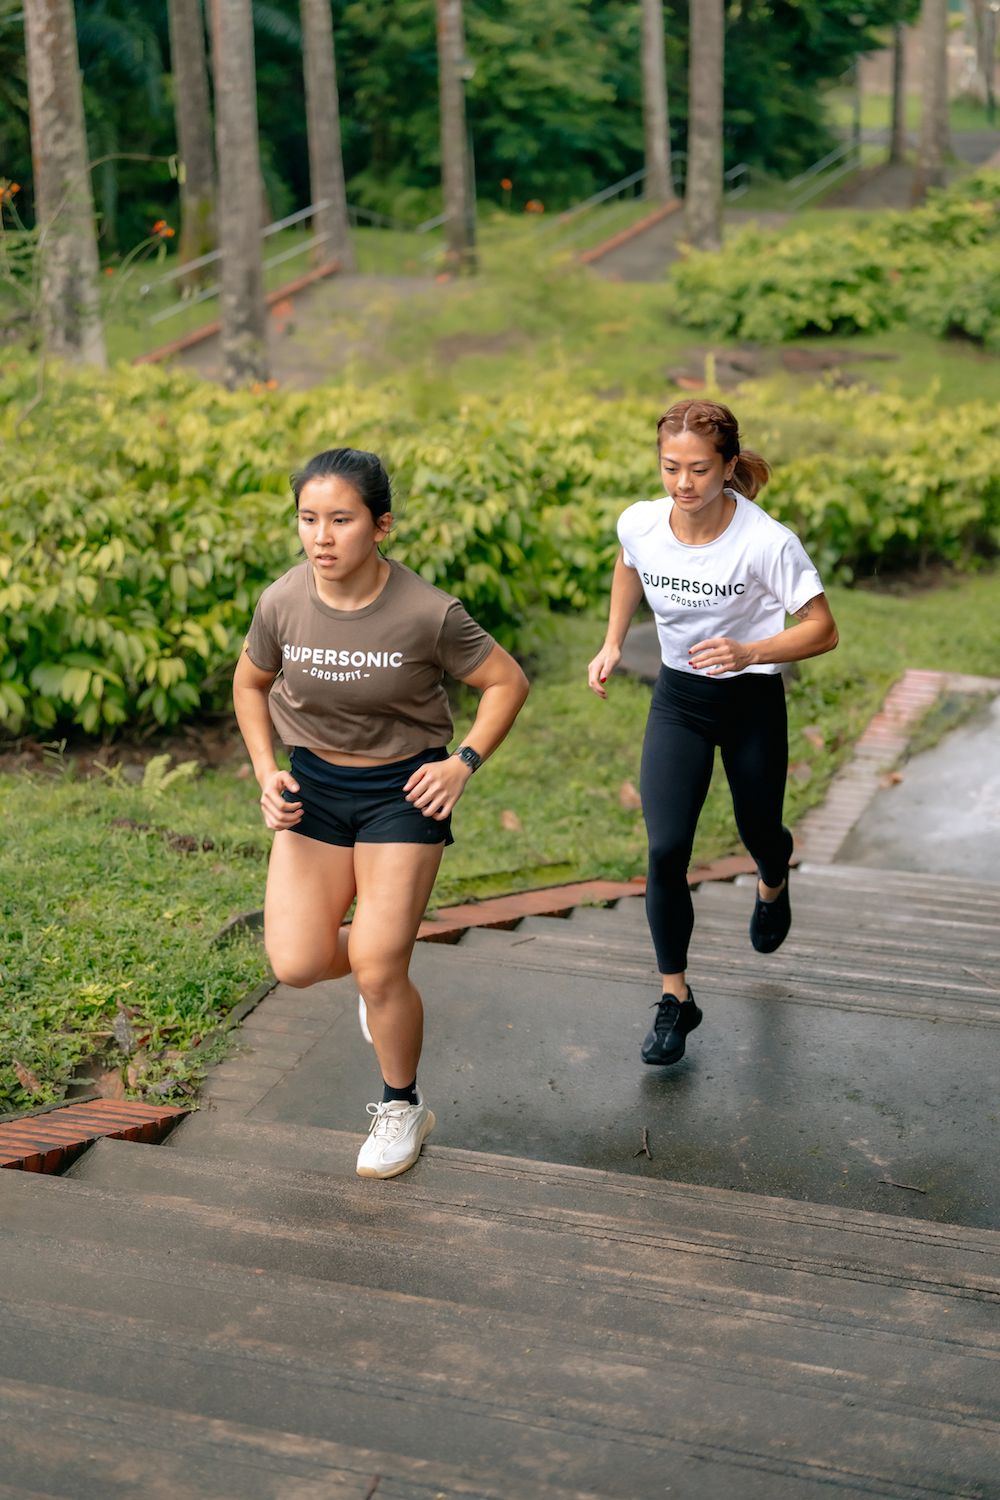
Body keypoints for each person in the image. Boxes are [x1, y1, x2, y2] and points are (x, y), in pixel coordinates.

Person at [233, 448, 529, 1178]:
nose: (321, 538)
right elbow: (249, 685)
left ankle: (403, 1106)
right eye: (308, 519)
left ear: (381, 525)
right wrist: (268, 771)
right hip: (314, 791)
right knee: (297, 963)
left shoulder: (428, 613)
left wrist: (462, 763)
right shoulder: (282, 602)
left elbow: (506, 682)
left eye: (341, 519)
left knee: (375, 963)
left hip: (404, 792)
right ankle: (377, 974)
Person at [587, 399, 838, 1068]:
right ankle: (676, 997)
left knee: (760, 832)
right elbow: (628, 564)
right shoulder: (641, 522)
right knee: (666, 847)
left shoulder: (765, 541)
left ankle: (773, 879)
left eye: (699, 470)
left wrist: (752, 650)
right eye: (671, 468)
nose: (683, 484)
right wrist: (613, 642)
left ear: (728, 467)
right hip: (679, 702)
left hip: (751, 700)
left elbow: (823, 628)